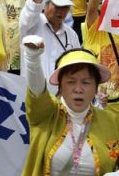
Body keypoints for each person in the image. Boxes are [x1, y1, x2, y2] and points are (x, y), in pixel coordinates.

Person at [21, 35, 119, 176]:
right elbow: (37, 93)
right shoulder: (47, 115)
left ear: (96, 87)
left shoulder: (112, 122)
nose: (78, 89)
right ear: (60, 86)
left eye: (86, 82)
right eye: (71, 82)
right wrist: (32, 59)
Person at [20, 0, 80, 93]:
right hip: (33, 96)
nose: (61, 11)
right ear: (45, 4)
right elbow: (33, 6)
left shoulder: (72, 35)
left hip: (62, 99)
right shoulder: (33, 23)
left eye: (65, 7)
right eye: (57, 6)